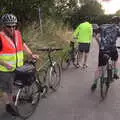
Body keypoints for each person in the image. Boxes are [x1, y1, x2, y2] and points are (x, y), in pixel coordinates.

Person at [0, 13, 39, 116]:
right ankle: (8, 106)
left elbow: (23, 44)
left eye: (14, 26)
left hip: (18, 67)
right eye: (9, 26)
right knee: (6, 89)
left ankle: (14, 97)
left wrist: (31, 54)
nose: (12, 28)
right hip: (5, 69)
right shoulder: (0, 37)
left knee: (17, 85)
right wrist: (4, 64)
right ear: (3, 26)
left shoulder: (18, 33)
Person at [91, 16, 120, 91]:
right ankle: (115, 73)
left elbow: (96, 36)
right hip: (112, 50)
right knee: (115, 60)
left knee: (100, 68)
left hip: (103, 50)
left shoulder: (102, 26)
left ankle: (94, 83)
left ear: (111, 21)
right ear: (118, 22)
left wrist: (100, 45)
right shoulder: (118, 28)